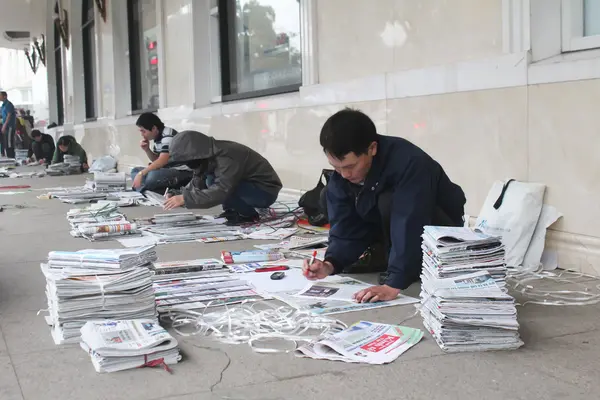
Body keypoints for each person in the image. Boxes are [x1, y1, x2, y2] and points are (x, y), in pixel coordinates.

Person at [302, 108, 466, 303]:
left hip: (436, 225)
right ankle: (386, 254)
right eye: (337, 167)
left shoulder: (410, 163)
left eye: (350, 166)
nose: (345, 174)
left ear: (372, 148)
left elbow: (410, 220)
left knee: (388, 201)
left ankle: (408, 264)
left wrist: (394, 283)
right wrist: (331, 264)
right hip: (389, 226)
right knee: (327, 194)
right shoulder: (342, 177)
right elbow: (345, 225)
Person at [163, 130, 283, 225]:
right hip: (249, 187)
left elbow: (222, 190)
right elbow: (197, 182)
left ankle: (248, 215)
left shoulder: (226, 156)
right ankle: (234, 210)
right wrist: (178, 195)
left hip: (265, 192)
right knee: (210, 179)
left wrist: (185, 198)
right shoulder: (208, 156)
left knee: (214, 182)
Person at [130, 113, 193, 193]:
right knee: (135, 171)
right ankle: (150, 189)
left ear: (154, 128)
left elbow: (162, 161)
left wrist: (141, 173)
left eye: (143, 131)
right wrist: (147, 150)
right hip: (168, 170)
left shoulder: (168, 135)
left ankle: (147, 189)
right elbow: (156, 160)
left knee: (152, 176)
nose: (142, 135)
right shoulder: (157, 137)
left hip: (183, 172)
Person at [0, 91, 17, 158]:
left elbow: (8, 116)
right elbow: (3, 116)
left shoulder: (9, 104)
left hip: (9, 126)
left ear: (5, 96)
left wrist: (4, 126)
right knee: (6, 143)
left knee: (9, 143)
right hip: (6, 126)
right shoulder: (3, 105)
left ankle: (11, 157)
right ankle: (9, 158)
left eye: (0, 95)